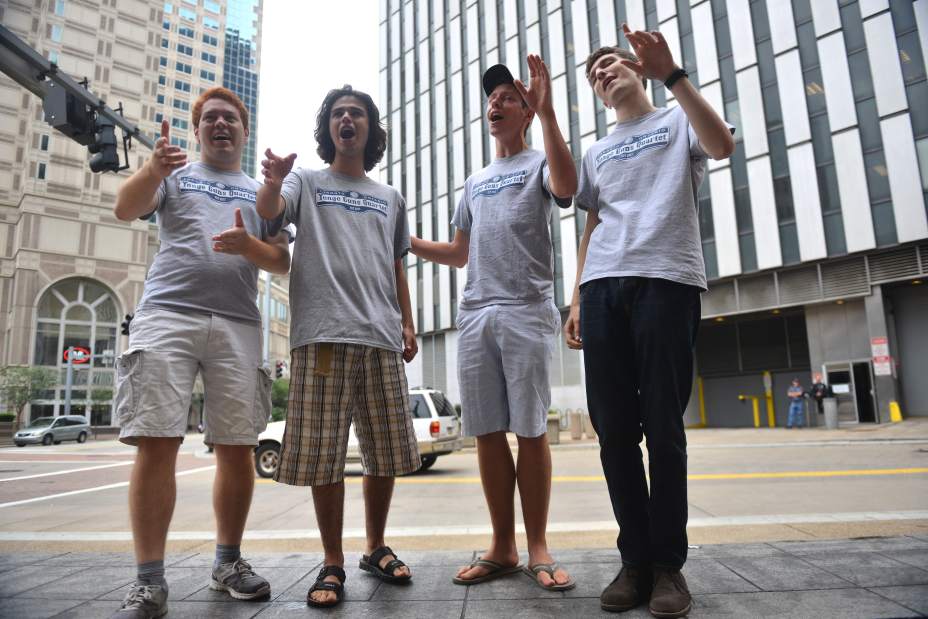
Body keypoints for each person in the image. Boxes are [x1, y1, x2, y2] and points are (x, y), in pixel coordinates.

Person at [564, 25, 735, 618]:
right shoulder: (595, 150)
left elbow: (722, 146)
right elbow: (592, 222)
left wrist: (675, 76)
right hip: (604, 287)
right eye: (594, 75)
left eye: (610, 64)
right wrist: (578, 296)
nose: (603, 74)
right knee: (614, 433)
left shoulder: (676, 117)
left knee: (663, 428)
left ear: (636, 69)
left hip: (667, 279)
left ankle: (668, 567)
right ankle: (633, 560)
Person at [111, 87, 291, 618]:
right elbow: (125, 208)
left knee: (236, 446)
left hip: (238, 324)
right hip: (167, 315)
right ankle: (149, 581)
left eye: (230, 118)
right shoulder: (174, 176)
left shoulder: (261, 193)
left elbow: (281, 261)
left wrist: (248, 247)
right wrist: (151, 170)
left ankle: (228, 563)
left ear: (243, 129)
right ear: (196, 131)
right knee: (157, 441)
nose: (220, 124)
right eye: (210, 118)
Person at [410, 56, 577, 591]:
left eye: (508, 97)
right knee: (485, 432)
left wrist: (548, 112)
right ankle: (502, 546)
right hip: (475, 312)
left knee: (529, 430)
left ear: (526, 110)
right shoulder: (475, 180)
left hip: (527, 308)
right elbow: (460, 253)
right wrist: (407, 242)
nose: (495, 104)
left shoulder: (538, 162)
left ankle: (538, 546)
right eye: (492, 98)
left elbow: (569, 188)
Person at [256, 85, 419, 608]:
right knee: (325, 456)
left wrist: (409, 324)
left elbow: (397, 263)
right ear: (329, 128)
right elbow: (270, 216)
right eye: (339, 114)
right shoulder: (306, 180)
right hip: (322, 335)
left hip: (380, 337)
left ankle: (375, 546)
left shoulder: (389, 197)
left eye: (358, 114)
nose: (347, 119)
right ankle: (332, 561)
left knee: (385, 452)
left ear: (370, 130)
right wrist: (274, 181)